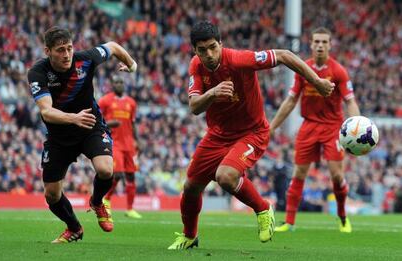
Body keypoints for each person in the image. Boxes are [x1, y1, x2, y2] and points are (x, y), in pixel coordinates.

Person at [167, 21, 334, 250]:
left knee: (225, 176)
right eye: (202, 50)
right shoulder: (196, 66)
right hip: (217, 135)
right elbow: (194, 106)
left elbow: (284, 55)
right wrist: (214, 93)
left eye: (213, 47)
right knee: (190, 187)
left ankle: (263, 209)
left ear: (221, 44)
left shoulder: (239, 59)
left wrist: (316, 81)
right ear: (195, 50)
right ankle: (190, 236)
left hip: (252, 132)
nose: (209, 54)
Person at [27, 26, 137, 243]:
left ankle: (97, 202)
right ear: (47, 51)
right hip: (60, 136)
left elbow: (113, 46)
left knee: (106, 169)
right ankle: (74, 228)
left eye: (69, 48)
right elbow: (46, 111)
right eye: (60, 50)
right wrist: (73, 118)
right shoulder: (38, 73)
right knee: (51, 194)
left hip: (90, 127)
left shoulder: (85, 59)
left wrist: (132, 65)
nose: (66, 54)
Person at [271, 27, 360, 233]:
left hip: (332, 128)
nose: (320, 45)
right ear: (310, 44)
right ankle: (290, 222)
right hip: (309, 125)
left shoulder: (338, 71)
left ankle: (342, 217)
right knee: (299, 173)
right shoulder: (304, 69)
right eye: (316, 42)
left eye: (324, 42)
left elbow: (350, 101)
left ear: (330, 45)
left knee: (337, 176)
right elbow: (291, 100)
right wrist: (272, 127)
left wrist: (356, 123)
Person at [98, 74, 142, 219]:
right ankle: (106, 200)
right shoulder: (105, 101)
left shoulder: (131, 102)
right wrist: (109, 124)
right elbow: (97, 121)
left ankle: (130, 208)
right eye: (116, 82)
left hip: (129, 144)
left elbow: (133, 123)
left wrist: (137, 140)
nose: (119, 84)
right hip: (114, 143)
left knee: (131, 175)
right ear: (112, 84)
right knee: (117, 174)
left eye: (121, 82)